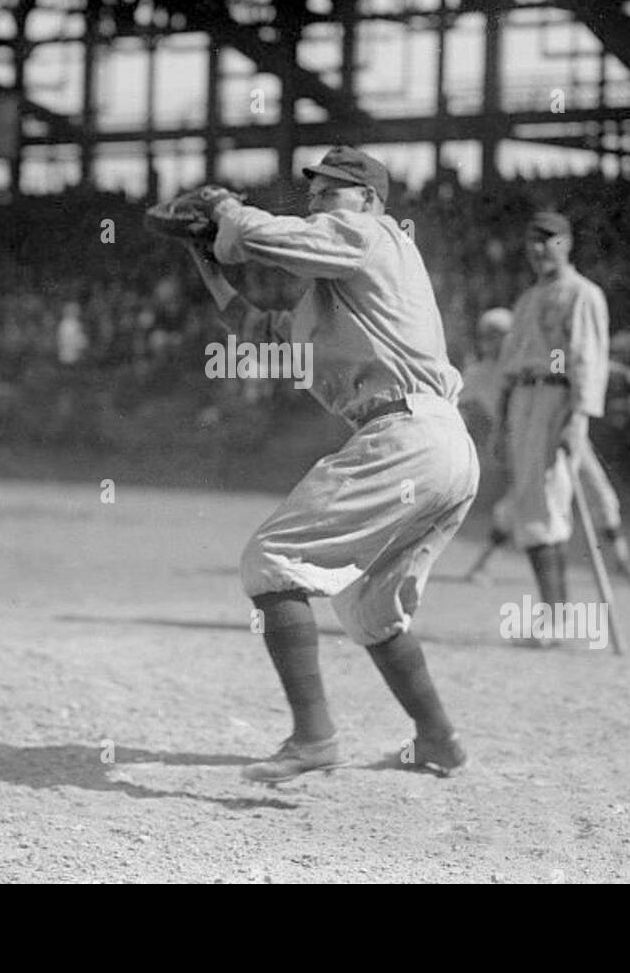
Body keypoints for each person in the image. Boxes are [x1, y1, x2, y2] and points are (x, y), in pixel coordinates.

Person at [184, 145, 479, 781]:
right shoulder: (339, 291)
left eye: (332, 192)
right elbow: (261, 330)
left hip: (406, 433)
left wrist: (224, 207)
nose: (318, 203)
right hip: (441, 445)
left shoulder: (372, 234)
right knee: (370, 610)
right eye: (314, 195)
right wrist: (209, 263)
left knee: (269, 562)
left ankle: (313, 737)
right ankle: (437, 739)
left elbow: (265, 235)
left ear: (370, 199)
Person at [465, 305, 630, 585]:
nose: (493, 342)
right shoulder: (478, 374)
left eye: (499, 335)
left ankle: (622, 561)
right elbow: (450, 395)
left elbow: (575, 366)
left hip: (565, 431)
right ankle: (482, 564)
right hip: (527, 443)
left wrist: (616, 371)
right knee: (519, 502)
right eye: (487, 336)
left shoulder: (528, 358)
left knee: (600, 493)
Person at [492, 212, 609, 631]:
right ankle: (553, 616)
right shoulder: (527, 299)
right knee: (529, 502)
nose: (539, 250)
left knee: (545, 501)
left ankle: (557, 619)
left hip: (557, 397)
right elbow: (508, 366)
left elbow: (589, 361)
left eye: (548, 240)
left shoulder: (583, 294)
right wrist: (499, 422)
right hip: (524, 396)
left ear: (567, 243)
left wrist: (577, 419)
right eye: (532, 242)